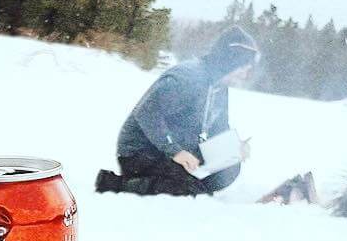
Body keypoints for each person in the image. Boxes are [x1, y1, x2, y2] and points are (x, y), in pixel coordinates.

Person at [96, 26, 259, 197]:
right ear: (229, 61)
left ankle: (184, 186)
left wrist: (234, 147)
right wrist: (175, 151)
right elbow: (147, 113)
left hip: (176, 150)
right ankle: (115, 184)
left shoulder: (219, 88)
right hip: (140, 151)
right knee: (184, 186)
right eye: (244, 67)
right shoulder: (188, 77)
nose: (245, 74)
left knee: (230, 168)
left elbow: (218, 127)